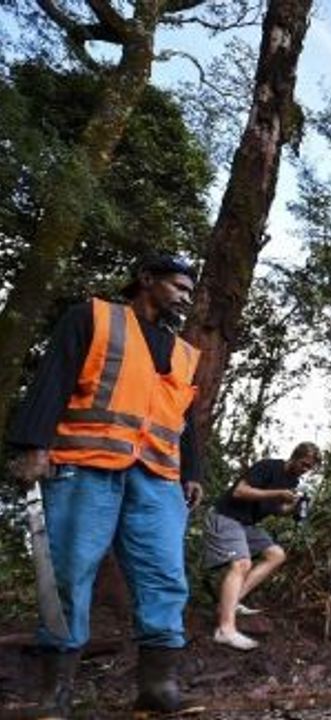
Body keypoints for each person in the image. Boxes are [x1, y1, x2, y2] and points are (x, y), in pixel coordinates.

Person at [5, 253, 203, 717]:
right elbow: (53, 377)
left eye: (190, 292)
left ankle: (158, 687)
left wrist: (193, 472)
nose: (184, 298)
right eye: (177, 286)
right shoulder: (93, 318)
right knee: (69, 573)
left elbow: (185, 421)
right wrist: (34, 444)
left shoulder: (184, 353)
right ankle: (55, 694)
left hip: (157, 479)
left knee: (165, 576)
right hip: (86, 465)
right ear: (146, 280)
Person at [203, 442, 319, 651]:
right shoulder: (268, 466)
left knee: (276, 555)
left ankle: (231, 601)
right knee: (241, 563)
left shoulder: (292, 481)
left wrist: (292, 507)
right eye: (303, 464)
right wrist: (277, 493)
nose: (305, 470)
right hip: (226, 516)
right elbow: (239, 492)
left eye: (309, 468)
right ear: (294, 456)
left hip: (246, 525)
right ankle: (225, 630)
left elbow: (277, 509)